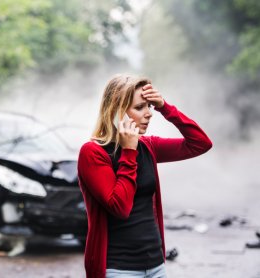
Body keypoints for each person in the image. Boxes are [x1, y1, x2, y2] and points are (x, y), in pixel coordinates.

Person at [77, 74, 212, 278]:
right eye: (140, 107)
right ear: (116, 111)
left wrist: (165, 107)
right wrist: (128, 152)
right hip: (118, 269)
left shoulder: (148, 146)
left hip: (156, 266)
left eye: (149, 106)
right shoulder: (93, 153)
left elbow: (200, 143)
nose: (149, 113)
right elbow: (120, 207)